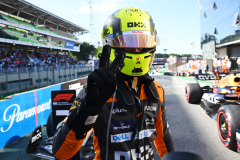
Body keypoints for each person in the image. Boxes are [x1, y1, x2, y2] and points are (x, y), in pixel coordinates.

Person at [52, 7, 175, 160]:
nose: (138, 49)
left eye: (144, 41)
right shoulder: (97, 91)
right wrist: (88, 110)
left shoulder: (156, 91)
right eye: (129, 42)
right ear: (110, 45)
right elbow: (61, 153)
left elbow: (164, 139)